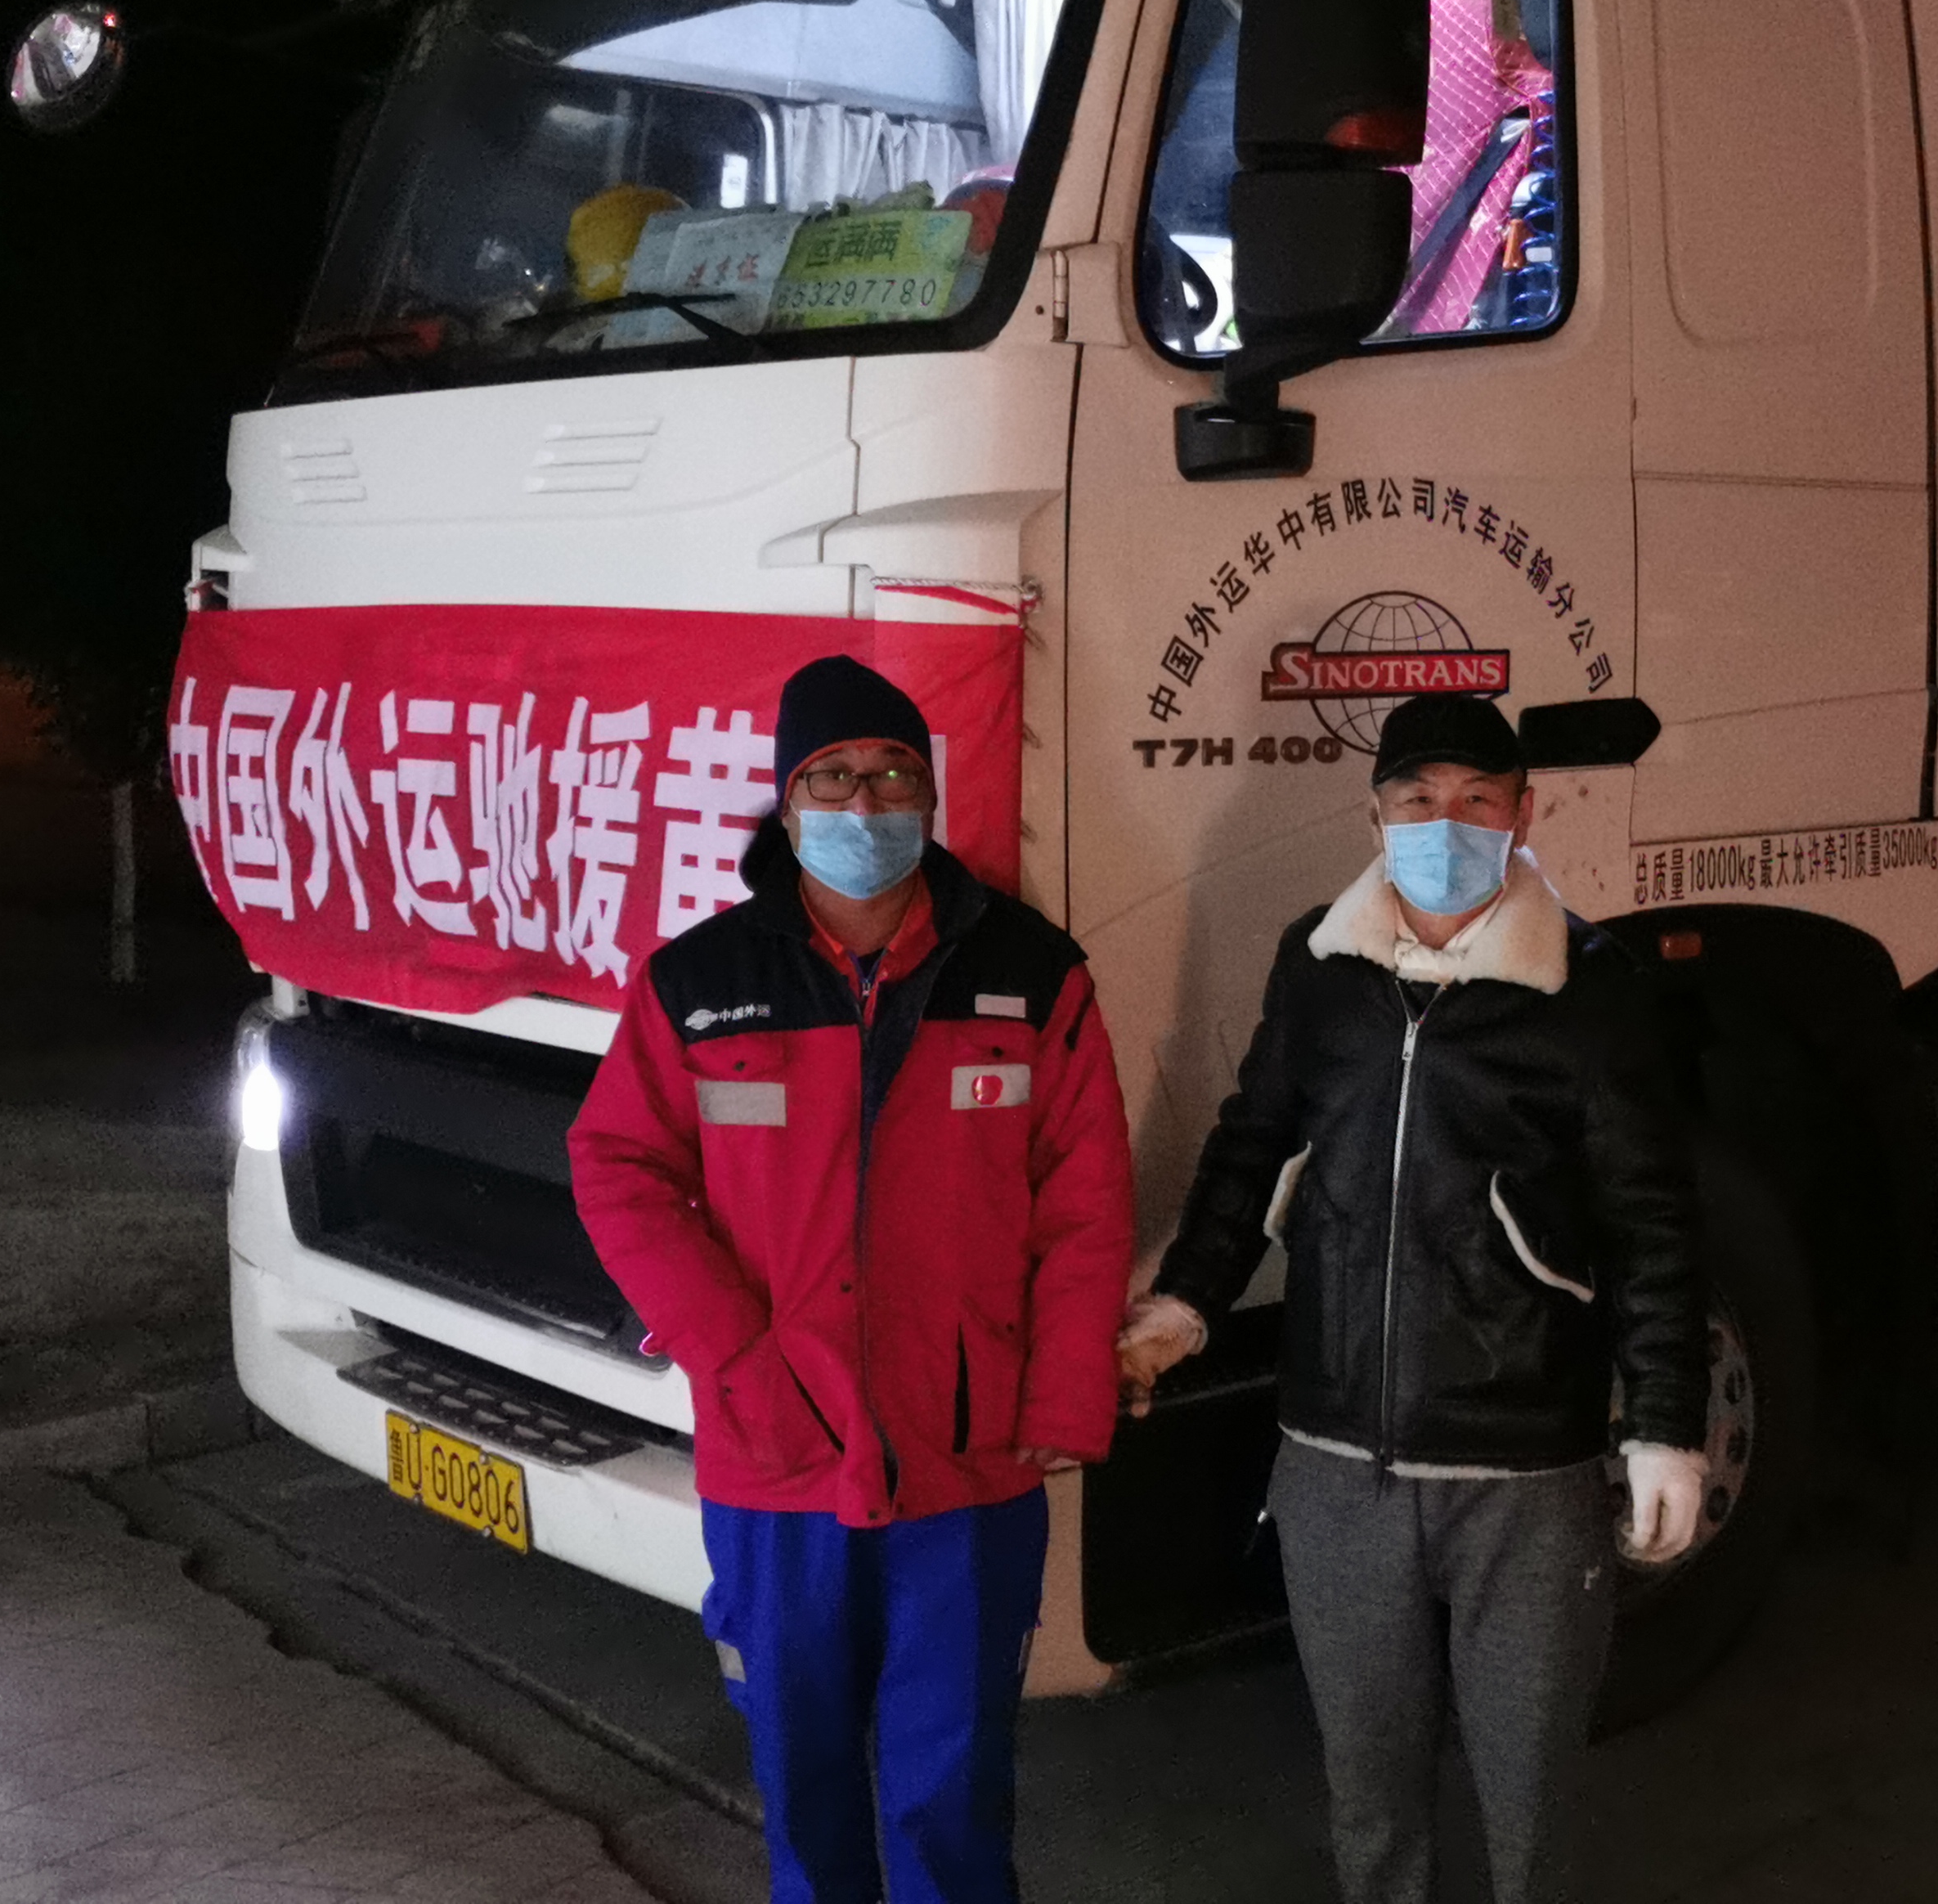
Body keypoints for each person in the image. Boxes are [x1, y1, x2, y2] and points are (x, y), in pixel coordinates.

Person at [1116, 693, 1711, 1904]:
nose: (1447, 824)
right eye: (1419, 799)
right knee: (1370, 1787)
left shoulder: (1591, 986)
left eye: (1478, 800)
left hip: (1524, 1473)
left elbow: (1652, 1219)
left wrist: (1664, 1424)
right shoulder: (1318, 964)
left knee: (1530, 1790)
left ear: (1525, 816)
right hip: (1337, 1461)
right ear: (1376, 816)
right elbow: (1249, 1147)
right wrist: (1182, 1304)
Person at [570, 654, 1133, 1904]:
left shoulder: (1032, 974)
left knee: (953, 1798)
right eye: (832, 776)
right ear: (786, 804)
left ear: (929, 797)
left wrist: (1061, 1395)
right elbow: (617, 1168)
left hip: (967, 1456)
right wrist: (737, 1359)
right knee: (806, 1790)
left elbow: (1087, 1203)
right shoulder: (702, 984)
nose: (864, 801)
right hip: (778, 1454)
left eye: (892, 774)